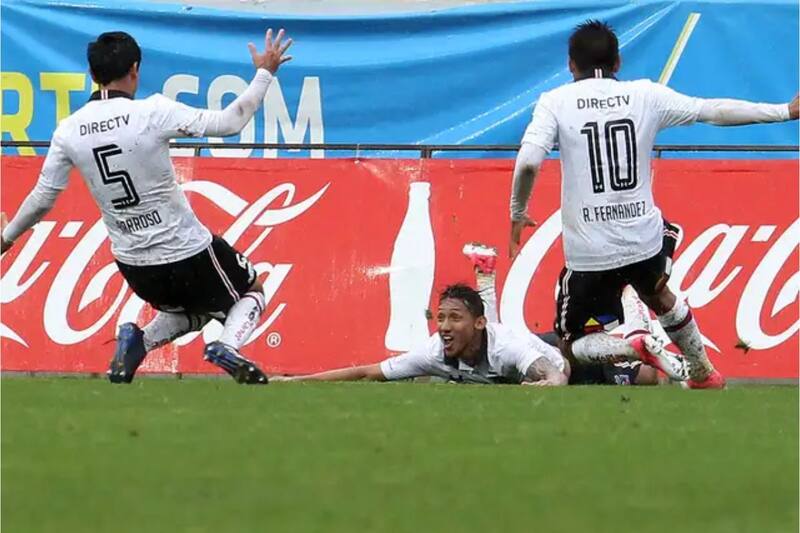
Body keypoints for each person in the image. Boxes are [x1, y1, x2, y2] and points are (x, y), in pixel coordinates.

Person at [508, 20, 799, 389]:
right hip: (643, 239)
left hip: (588, 249)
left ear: (570, 65)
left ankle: (630, 347)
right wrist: (784, 111)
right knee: (660, 296)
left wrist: (517, 213)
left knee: (569, 343)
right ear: (618, 64)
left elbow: (530, 161)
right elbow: (711, 110)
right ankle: (702, 372)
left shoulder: (554, 102)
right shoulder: (645, 95)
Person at [0, 29, 294, 384]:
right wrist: (265, 72)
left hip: (135, 267)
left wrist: (6, 238)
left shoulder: (68, 131)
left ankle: (139, 340)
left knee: (195, 310)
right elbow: (229, 123)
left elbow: (43, 198)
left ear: (92, 75)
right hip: (187, 252)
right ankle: (227, 347)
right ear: (135, 69)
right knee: (251, 292)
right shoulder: (153, 112)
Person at [464, 241, 686, 386]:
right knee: (496, 350)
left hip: (565, 348)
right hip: (566, 350)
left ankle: (485, 276)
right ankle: (485, 276)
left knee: (496, 349)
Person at [277, 283, 570, 386]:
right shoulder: (432, 352)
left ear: (480, 323)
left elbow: (555, 373)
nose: (444, 327)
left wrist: (553, 382)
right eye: (440, 318)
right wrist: (297, 381)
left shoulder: (505, 347)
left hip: (562, 354)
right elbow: (366, 373)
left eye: (455, 318)